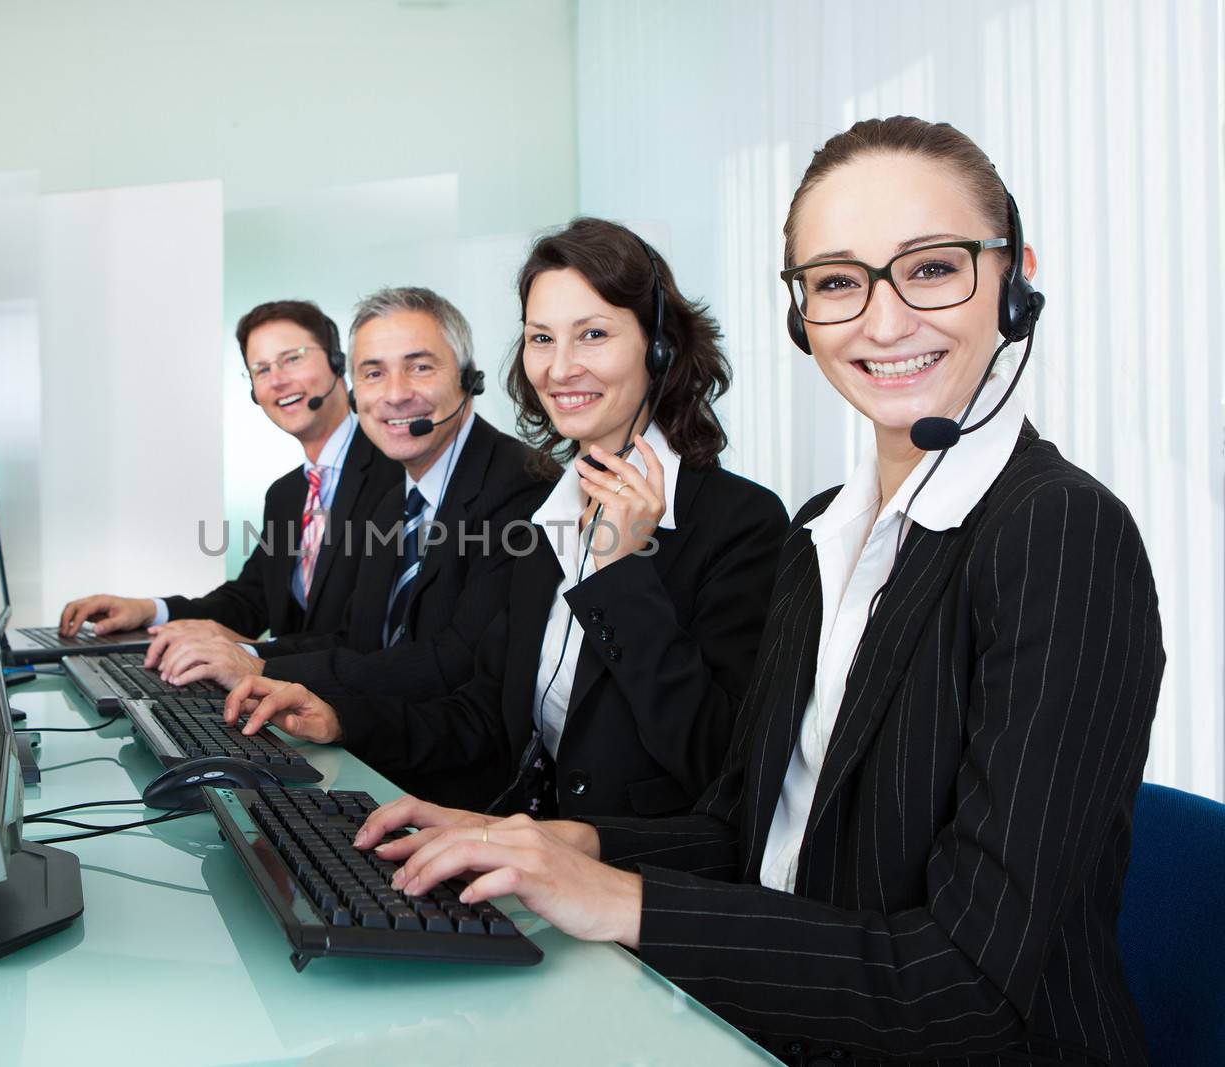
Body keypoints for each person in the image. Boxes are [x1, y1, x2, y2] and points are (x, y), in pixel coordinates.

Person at [349, 119, 1164, 1067]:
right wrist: (548, 840)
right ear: (802, 312)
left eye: (933, 267)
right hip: (779, 1015)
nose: (885, 320)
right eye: (837, 281)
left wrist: (625, 899)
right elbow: (748, 831)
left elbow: (971, 984)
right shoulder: (826, 529)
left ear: (1015, 278)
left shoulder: (1061, 532)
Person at [225, 218, 787, 820]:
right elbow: (486, 716)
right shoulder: (548, 515)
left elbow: (722, 766)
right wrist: (339, 717)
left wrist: (620, 575)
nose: (561, 368)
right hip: (518, 843)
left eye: (592, 334)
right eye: (541, 339)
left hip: (629, 881)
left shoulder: (742, 523)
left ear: (659, 347)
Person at [145, 287, 553, 700]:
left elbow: (453, 664)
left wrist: (261, 666)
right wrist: (241, 653)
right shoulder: (395, 500)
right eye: (374, 373)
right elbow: (353, 638)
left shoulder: (514, 483)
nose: (395, 394)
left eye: (420, 367)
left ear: (469, 377)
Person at [58, 300, 401, 646]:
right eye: (261, 369)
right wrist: (150, 610)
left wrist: (251, 653)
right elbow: (249, 603)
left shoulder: (397, 474)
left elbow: (374, 637)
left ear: (337, 361)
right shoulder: (287, 494)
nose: (277, 380)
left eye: (292, 359)